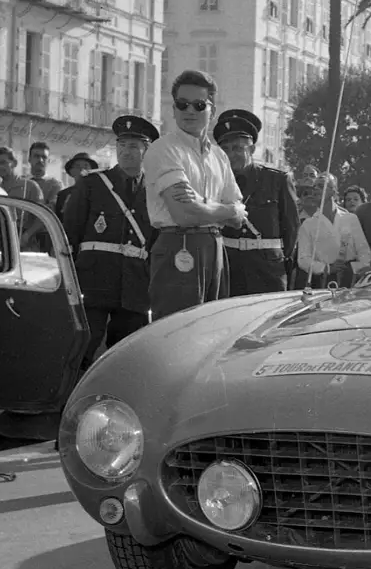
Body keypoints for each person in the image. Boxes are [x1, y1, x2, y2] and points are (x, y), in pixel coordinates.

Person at [143, 69, 249, 321]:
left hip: (214, 246)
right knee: (176, 330)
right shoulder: (164, 149)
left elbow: (239, 216)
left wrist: (203, 204)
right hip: (179, 245)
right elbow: (184, 214)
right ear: (173, 109)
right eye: (182, 104)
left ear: (211, 110)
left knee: (212, 329)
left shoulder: (219, 156)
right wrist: (225, 209)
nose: (189, 111)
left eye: (199, 105)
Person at [61, 116, 158, 367]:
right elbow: (70, 233)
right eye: (122, 146)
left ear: (146, 151)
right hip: (94, 281)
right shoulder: (92, 184)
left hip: (135, 285)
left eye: (134, 147)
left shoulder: (156, 190)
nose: (126, 152)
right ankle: (64, 402)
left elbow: (156, 241)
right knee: (82, 345)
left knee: (124, 354)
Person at [213, 109, 299, 297]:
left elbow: (291, 228)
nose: (230, 155)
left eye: (237, 148)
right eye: (225, 149)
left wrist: (280, 262)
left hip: (268, 271)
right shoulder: (215, 182)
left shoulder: (277, 180)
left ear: (251, 149)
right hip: (229, 268)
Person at [295, 173, 371, 288]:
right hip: (323, 282)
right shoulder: (308, 224)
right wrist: (326, 268)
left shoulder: (350, 218)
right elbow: (303, 259)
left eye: (321, 186)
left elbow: (364, 252)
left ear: (333, 191)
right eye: (314, 186)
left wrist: (355, 268)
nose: (316, 189)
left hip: (349, 280)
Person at [0, 146, 44, 248]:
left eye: (3, 162)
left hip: (25, 245)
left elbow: (42, 218)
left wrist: (27, 235)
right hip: (2, 245)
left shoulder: (29, 186)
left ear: (14, 163)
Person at [54, 153, 99, 219]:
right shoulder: (63, 195)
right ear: (71, 171)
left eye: (86, 166)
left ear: (92, 170)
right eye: (78, 166)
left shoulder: (98, 194)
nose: (82, 170)